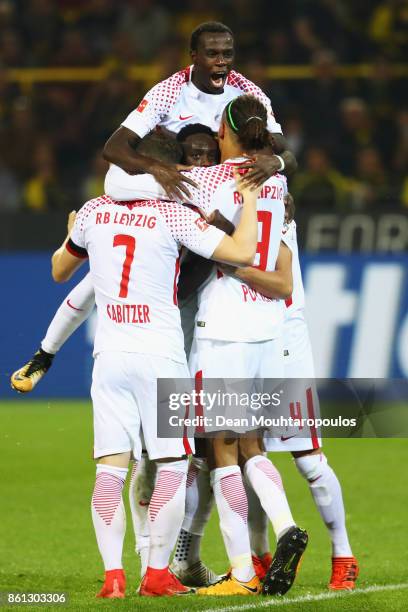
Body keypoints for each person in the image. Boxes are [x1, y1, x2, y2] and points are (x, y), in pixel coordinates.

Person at [105, 93, 308, 597]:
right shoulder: (277, 177)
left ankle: (241, 571)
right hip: (267, 327)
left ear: (225, 133)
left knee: (220, 449)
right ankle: (284, 527)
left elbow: (127, 187)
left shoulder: (216, 179)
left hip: (222, 324)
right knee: (252, 443)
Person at [50, 136, 262, 598]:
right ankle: (157, 573)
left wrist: (69, 231)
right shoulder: (174, 215)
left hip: (108, 356)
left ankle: (112, 577)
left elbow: (59, 271)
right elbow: (242, 254)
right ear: (165, 172)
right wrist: (247, 204)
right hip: (160, 356)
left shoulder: (91, 212)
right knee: (171, 464)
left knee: (110, 469)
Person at [102, 20, 297, 202]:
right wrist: (159, 169)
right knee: (114, 180)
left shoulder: (249, 93)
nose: (221, 61)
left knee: (281, 190)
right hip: (181, 191)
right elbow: (114, 148)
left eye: (227, 54)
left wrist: (276, 162)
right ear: (194, 56)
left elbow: (288, 156)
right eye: (212, 54)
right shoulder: (168, 92)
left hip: (231, 191)